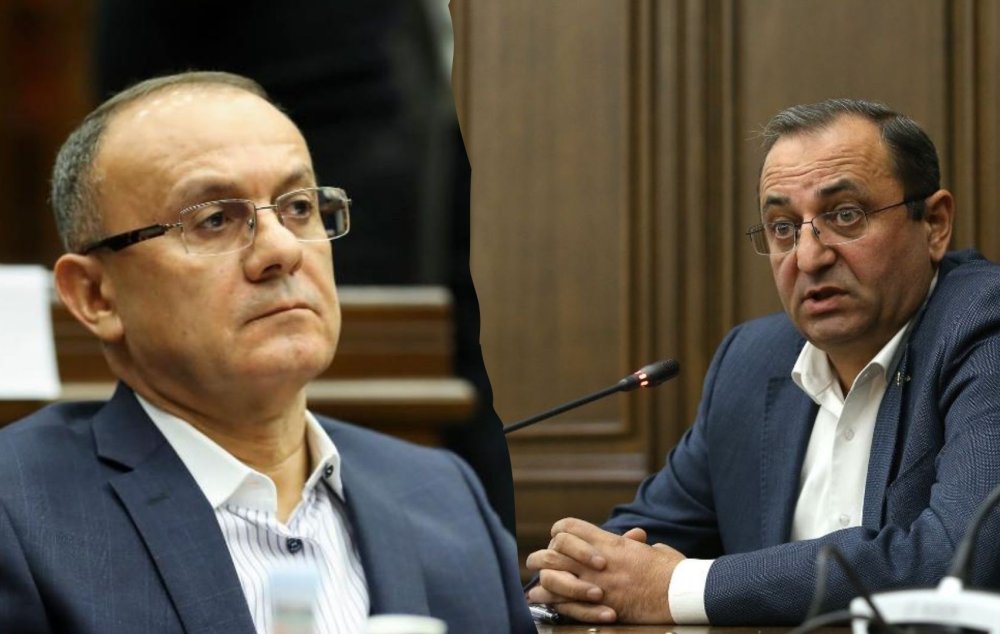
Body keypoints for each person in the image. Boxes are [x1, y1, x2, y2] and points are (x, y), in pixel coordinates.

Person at [0, 71, 534, 634]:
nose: (282, 249)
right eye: (213, 220)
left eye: (299, 207)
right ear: (95, 295)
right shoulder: (20, 513)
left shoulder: (443, 494)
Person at [526, 99, 1000, 625]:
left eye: (846, 216)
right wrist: (573, 575)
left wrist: (678, 586)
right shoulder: (752, 362)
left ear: (933, 224)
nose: (809, 256)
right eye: (782, 227)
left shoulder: (983, 325)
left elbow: (958, 560)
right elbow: (639, 541)